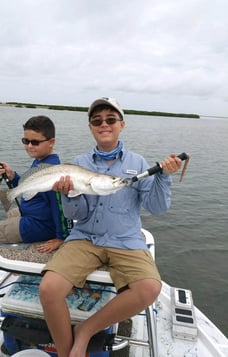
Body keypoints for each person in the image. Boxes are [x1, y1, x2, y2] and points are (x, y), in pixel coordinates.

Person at [39, 98, 183, 357]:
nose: (103, 124)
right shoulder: (78, 163)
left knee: (150, 287)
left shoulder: (138, 163)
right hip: (84, 238)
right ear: (91, 127)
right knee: (49, 289)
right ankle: (66, 353)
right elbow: (77, 215)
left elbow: (157, 208)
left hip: (126, 240)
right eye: (97, 120)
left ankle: (86, 330)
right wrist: (69, 195)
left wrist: (163, 177)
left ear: (122, 124)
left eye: (110, 119)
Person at [0, 115, 71, 254]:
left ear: (51, 142)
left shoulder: (53, 172)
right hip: (34, 214)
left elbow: (60, 207)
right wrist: (13, 176)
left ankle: (9, 267)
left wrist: (61, 238)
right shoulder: (41, 160)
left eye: (35, 142)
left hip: (41, 224)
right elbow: (31, 186)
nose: (29, 146)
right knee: (11, 213)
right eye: (25, 141)